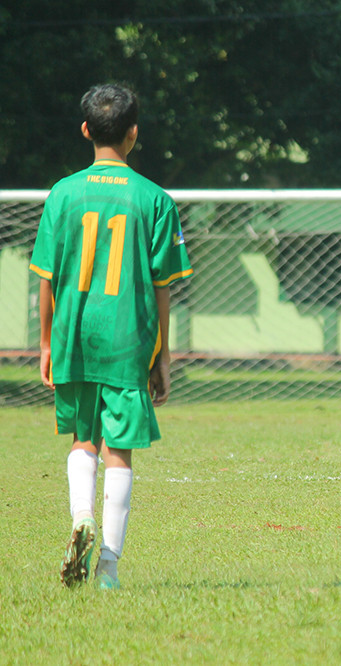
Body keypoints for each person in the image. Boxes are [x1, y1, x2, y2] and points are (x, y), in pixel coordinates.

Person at [29, 83, 193, 589]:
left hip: (75, 332)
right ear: (133, 133)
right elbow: (164, 288)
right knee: (119, 449)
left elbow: (46, 279)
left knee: (84, 439)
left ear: (85, 130)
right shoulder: (155, 200)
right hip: (128, 337)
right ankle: (109, 568)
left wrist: (45, 344)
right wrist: (163, 356)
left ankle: (82, 518)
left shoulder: (63, 193)